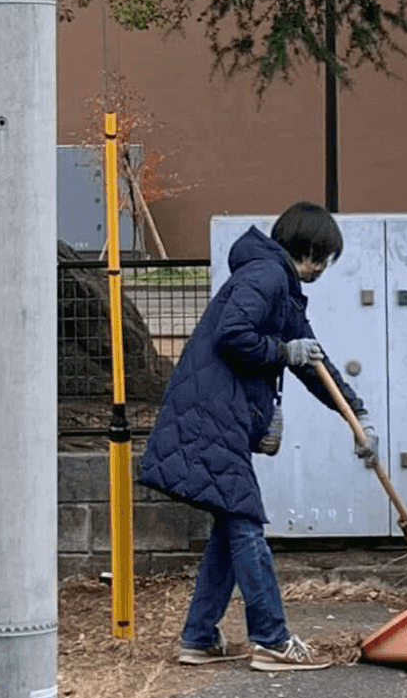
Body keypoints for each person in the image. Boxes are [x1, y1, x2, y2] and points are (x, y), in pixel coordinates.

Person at [138, 201, 378, 671]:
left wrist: (358, 415)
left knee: (231, 525)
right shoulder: (266, 276)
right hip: (212, 414)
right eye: (324, 258)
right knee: (244, 519)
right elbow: (233, 335)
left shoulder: (281, 289)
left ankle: (199, 638)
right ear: (309, 250)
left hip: (216, 413)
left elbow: (315, 363)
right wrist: (283, 351)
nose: (323, 270)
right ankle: (271, 639)